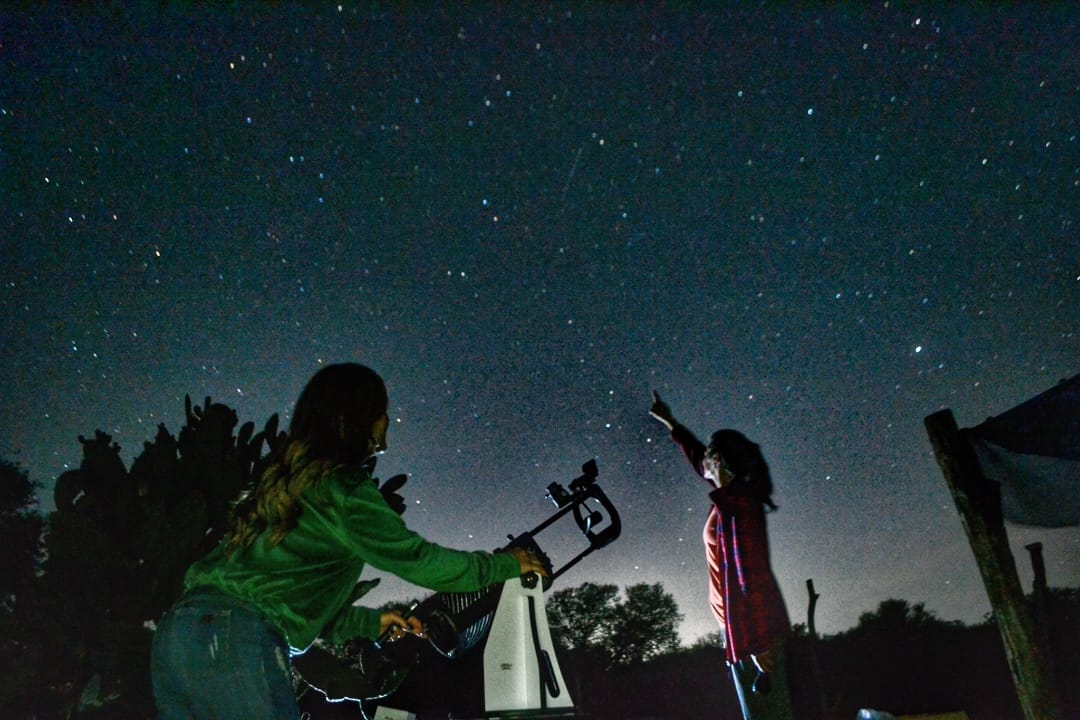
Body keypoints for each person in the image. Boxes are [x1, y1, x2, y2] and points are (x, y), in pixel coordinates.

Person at [151, 363, 546, 719]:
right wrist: (507, 564)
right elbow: (418, 559)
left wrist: (371, 622)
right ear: (356, 419)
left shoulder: (291, 483)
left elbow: (292, 595)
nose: (384, 439)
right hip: (236, 638)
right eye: (381, 420)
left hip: (178, 637)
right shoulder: (344, 487)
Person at [649, 391, 793, 720]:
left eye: (711, 453)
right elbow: (698, 458)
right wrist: (671, 422)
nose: (705, 459)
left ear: (722, 462)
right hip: (740, 630)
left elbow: (749, 575)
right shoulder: (730, 496)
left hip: (755, 634)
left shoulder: (738, 504)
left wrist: (758, 644)